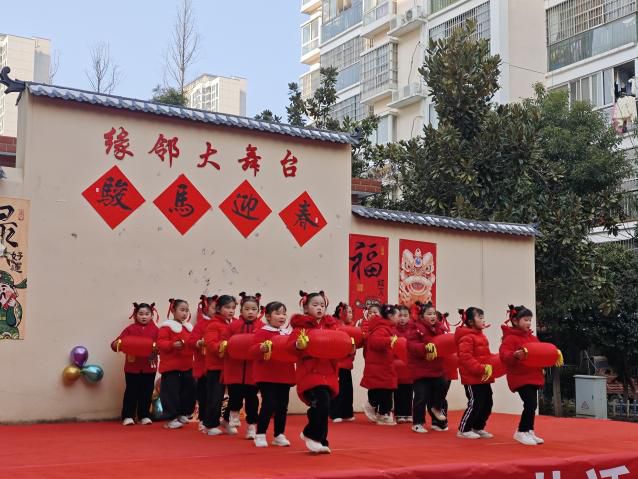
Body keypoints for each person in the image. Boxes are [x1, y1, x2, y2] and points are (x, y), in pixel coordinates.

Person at [290, 290, 339, 454]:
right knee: (321, 402)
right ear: (305, 308)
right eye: (315, 305)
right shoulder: (300, 327)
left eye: (322, 305)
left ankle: (321, 439)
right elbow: (290, 346)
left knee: (324, 406)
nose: (320, 308)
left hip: (328, 373)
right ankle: (312, 435)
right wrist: (298, 345)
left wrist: (349, 347)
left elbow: (340, 344)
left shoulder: (332, 326)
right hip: (309, 373)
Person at [500, 305, 546, 446]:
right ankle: (521, 431)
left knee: (532, 405)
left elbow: (538, 353)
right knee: (530, 403)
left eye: (530, 320)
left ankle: (529, 430)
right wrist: (514, 355)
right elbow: (504, 355)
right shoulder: (510, 338)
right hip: (520, 377)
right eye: (525, 320)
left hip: (533, 375)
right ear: (515, 321)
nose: (529, 323)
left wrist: (544, 363)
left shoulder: (532, 337)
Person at [252, 301, 295, 448]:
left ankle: (279, 434)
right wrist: (261, 348)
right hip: (266, 375)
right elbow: (252, 350)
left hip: (284, 375)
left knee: (282, 406)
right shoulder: (262, 332)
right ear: (268, 316)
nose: (282, 316)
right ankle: (260, 434)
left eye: (284, 313)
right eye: (277, 313)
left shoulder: (289, 333)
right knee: (269, 404)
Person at [111, 302, 159, 426]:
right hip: (132, 367)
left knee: (147, 391)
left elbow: (161, 346)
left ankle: (144, 415)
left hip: (149, 366)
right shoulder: (130, 329)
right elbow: (118, 342)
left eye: (147, 314)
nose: (144, 316)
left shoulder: (156, 330)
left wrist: (156, 349)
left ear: (152, 315)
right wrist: (116, 344)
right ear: (135, 315)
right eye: (141, 314)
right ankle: (128, 416)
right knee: (131, 391)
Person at [222, 292, 261, 439]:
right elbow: (223, 341)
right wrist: (225, 346)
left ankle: (251, 426)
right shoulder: (233, 326)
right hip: (234, 369)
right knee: (235, 397)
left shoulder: (262, 327)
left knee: (252, 400)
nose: (250, 312)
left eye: (254, 309)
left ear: (259, 311)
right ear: (241, 310)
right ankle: (232, 416)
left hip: (253, 372)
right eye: (247, 309)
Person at [408, 302, 447, 434]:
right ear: (421, 316)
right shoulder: (415, 328)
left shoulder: (440, 328)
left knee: (443, 384)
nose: (433, 316)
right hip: (420, 370)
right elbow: (412, 346)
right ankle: (417, 423)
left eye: (434, 314)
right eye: (429, 314)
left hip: (436, 368)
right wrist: (425, 348)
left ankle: (436, 408)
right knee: (421, 396)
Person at [455, 307, 494, 439]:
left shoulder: (482, 336)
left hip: (484, 377)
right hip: (472, 377)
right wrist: (480, 368)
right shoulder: (466, 338)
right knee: (475, 403)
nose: (483, 320)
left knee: (487, 402)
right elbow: (465, 358)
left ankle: (478, 427)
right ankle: (464, 429)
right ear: (471, 322)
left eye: (483, 318)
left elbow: (486, 355)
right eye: (480, 318)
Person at [157, 299, 196, 429]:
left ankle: (183, 413)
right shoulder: (166, 327)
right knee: (171, 392)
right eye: (182, 310)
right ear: (173, 311)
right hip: (171, 366)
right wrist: (172, 344)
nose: (185, 313)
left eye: (186, 310)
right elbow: (160, 343)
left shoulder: (189, 328)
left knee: (188, 390)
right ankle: (171, 418)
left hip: (187, 365)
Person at [203, 295, 236, 436]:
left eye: (233, 308)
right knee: (215, 397)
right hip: (216, 367)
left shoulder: (235, 323)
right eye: (227, 307)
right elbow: (210, 344)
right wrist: (225, 347)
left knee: (236, 396)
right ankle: (210, 424)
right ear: (218, 308)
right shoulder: (213, 324)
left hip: (232, 367)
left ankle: (227, 420)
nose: (231, 310)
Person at [361, 304, 400, 426]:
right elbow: (375, 342)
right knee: (383, 391)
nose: (399, 318)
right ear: (390, 316)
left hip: (384, 365)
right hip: (380, 367)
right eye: (398, 315)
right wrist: (389, 341)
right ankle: (374, 407)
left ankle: (383, 413)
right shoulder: (382, 328)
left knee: (386, 390)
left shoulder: (386, 328)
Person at [187, 295, 217, 431]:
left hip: (218, 364)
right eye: (214, 308)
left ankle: (214, 419)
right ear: (206, 309)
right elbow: (191, 341)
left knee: (216, 394)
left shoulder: (226, 323)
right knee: (204, 394)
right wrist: (199, 343)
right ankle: (203, 418)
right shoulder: (201, 324)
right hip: (204, 365)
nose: (217, 310)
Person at [330, 302, 356, 423]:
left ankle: (347, 413)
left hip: (347, 364)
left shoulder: (351, 328)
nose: (351, 315)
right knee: (337, 390)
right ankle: (335, 413)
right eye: (349, 312)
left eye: (351, 312)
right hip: (337, 364)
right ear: (342, 313)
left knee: (347, 390)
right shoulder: (334, 326)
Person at [393, 305, 413, 423]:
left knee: (409, 391)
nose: (402, 318)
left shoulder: (413, 330)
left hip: (409, 366)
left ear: (409, 317)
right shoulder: (392, 330)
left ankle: (408, 413)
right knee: (398, 391)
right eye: (400, 316)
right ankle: (399, 414)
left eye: (405, 316)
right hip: (397, 366)